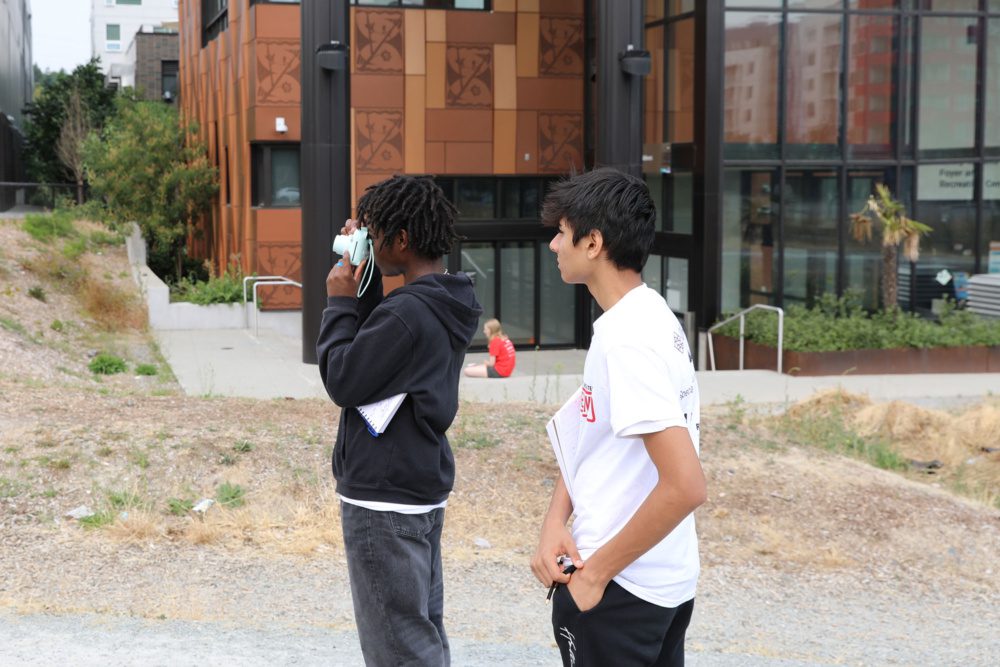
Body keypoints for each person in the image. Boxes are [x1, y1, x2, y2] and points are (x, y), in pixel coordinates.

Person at [530, 168, 707, 667]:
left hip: (624, 591)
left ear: (593, 242)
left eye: (561, 233)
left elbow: (686, 485)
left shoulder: (627, 338)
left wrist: (595, 575)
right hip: (660, 582)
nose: (553, 245)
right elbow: (594, 431)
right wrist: (555, 519)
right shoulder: (647, 314)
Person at [317, 174, 482, 667]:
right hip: (416, 489)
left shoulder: (408, 314)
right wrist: (364, 282)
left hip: (382, 501)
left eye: (375, 232)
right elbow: (375, 354)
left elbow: (344, 378)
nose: (367, 240)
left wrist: (340, 300)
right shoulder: (439, 301)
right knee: (419, 634)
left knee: (398, 649)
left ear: (402, 240)